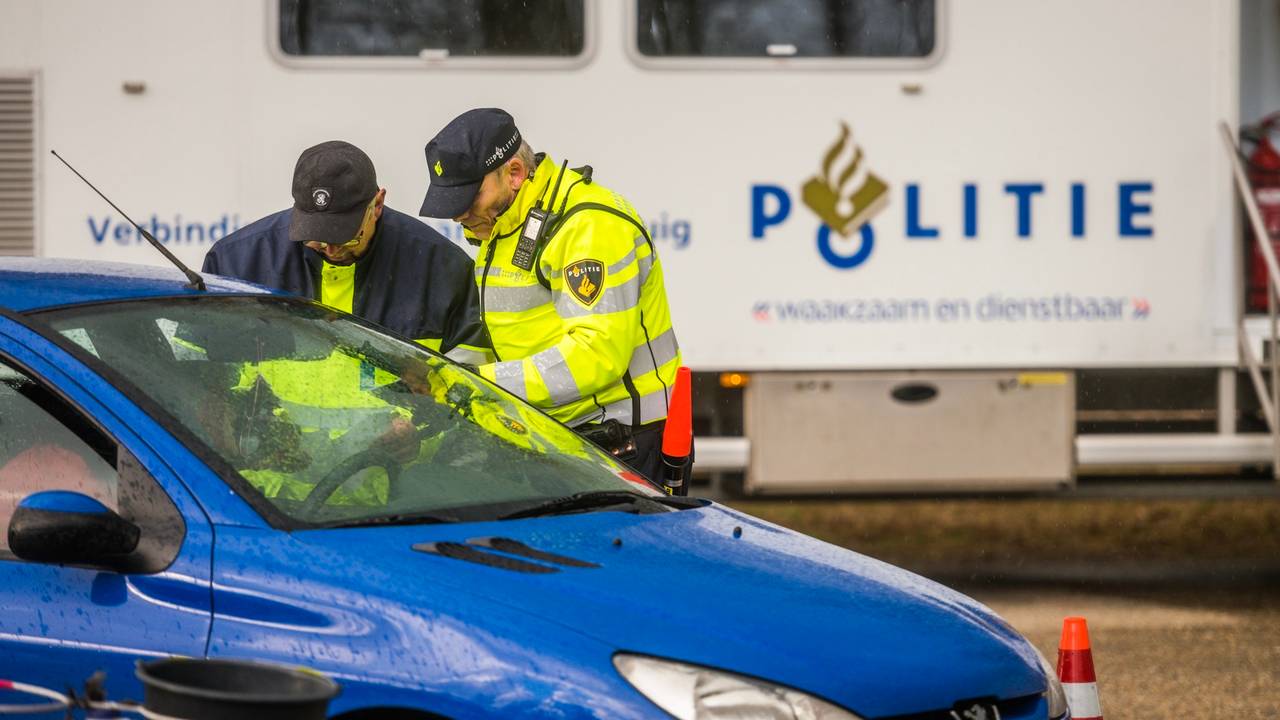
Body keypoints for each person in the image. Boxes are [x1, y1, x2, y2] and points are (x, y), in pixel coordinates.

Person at [418, 108, 681, 483]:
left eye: (469, 197)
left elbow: (597, 355)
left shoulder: (588, 225)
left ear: (514, 173)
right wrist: (444, 377)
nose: (458, 215)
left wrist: (476, 384)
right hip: (559, 435)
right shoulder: (504, 222)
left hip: (623, 442)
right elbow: (502, 332)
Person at [203, 140, 489, 363]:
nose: (330, 248)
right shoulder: (233, 263)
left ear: (377, 205)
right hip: (269, 436)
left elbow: (468, 375)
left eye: (345, 237)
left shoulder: (440, 267)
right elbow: (202, 368)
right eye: (314, 238)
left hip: (406, 438)